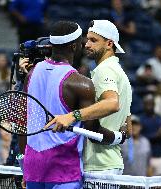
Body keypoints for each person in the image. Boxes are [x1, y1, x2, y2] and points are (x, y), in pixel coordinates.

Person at [19, 21, 128, 189]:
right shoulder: (81, 84)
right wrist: (118, 137)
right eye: (83, 41)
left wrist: (24, 165)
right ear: (74, 46)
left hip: (33, 166)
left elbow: (24, 125)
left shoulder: (31, 74)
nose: (86, 44)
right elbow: (92, 130)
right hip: (63, 170)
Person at [44, 20, 132, 175]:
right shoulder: (120, 73)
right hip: (111, 164)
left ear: (109, 44)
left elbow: (112, 103)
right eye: (87, 39)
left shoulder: (105, 70)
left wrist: (73, 116)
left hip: (99, 167)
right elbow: (128, 129)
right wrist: (117, 136)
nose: (86, 44)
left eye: (93, 40)